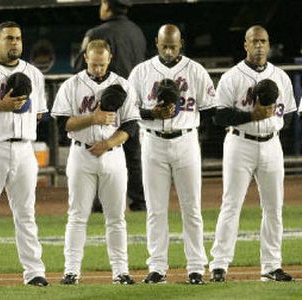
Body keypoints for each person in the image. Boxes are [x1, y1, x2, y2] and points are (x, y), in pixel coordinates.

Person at [129, 24, 216, 284]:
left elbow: (211, 109)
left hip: (186, 140)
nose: (168, 51)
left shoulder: (195, 70)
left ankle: (196, 267)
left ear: (181, 44)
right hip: (153, 142)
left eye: (173, 46)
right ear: (156, 42)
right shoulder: (141, 72)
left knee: (191, 208)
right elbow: (130, 111)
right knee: (155, 209)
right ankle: (157, 267)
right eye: (164, 45)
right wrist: (152, 113)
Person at [209, 25, 296, 282]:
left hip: (271, 145)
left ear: (269, 45)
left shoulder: (280, 76)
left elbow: (288, 114)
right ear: (245, 45)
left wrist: (272, 126)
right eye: (254, 41)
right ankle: (219, 265)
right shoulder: (232, 76)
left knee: (273, 208)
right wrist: (251, 116)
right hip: (240, 144)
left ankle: (271, 266)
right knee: (231, 204)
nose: (259, 46)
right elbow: (219, 115)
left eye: (263, 41)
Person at [52, 39, 139, 285]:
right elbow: (62, 124)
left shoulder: (123, 85)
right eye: (94, 64)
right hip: (81, 154)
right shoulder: (71, 85)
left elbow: (130, 125)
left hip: (112, 155)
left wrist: (108, 144)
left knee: (116, 217)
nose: (98, 68)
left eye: (102, 64)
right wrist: (93, 118)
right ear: (86, 58)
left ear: (109, 58)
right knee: (78, 215)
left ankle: (121, 271)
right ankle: (71, 271)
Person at [0, 21, 49, 287]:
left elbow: (38, 114)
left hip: (25, 150)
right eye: (8, 38)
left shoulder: (34, 73)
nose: (14, 43)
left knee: (26, 213)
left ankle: (34, 272)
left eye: (18, 38)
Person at [74, 0, 147, 211]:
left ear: (107, 6)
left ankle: (99, 203)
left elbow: (80, 67)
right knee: (133, 153)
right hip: (133, 99)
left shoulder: (97, 32)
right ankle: (139, 201)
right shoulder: (137, 31)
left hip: (106, 101)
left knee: (101, 149)